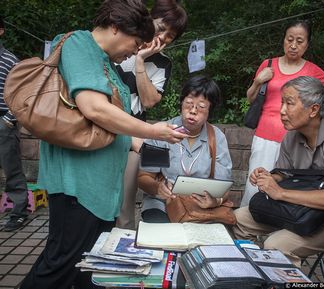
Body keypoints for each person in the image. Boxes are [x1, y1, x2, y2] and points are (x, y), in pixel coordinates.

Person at [20, 1, 187, 288]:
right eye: (135, 43)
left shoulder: (106, 63)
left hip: (102, 189)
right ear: (115, 27)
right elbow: (94, 109)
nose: (136, 50)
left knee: (89, 264)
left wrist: (152, 158)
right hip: (78, 184)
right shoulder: (78, 44)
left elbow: (120, 130)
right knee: (60, 263)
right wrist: (153, 130)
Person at [233, 76, 324, 268]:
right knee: (236, 219)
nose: (281, 111)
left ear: (314, 109)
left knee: (276, 245)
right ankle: (247, 273)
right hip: (294, 208)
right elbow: (285, 175)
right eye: (282, 102)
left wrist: (280, 192)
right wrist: (268, 177)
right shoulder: (291, 136)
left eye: (289, 103)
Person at [241, 20, 324, 207]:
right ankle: (248, 223)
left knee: (286, 184)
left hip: (295, 140)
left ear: (307, 44)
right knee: (256, 181)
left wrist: (311, 105)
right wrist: (257, 81)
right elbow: (250, 98)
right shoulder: (268, 64)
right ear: (283, 40)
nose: (294, 45)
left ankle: (278, 224)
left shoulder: (311, 70)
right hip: (264, 135)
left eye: (300, 41)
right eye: (290, 39)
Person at [116, 0, 187, 230]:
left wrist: (140, 60)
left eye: (171, 35)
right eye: (162, 27)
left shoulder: (163, 63)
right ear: (149, 18)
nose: (164, 36)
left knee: (125, 207)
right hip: (102, 128)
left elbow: (148, 101)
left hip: (133, 137)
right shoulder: (121, 42)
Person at [138, 75, 232, 222]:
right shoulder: (162, 133)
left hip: (199, 208)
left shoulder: (216, 138)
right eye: (188, 103)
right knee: (159, 236)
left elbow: (223, 188)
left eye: (201, 107)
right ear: (181, 102)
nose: (193, 111)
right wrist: (158, 188)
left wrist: (215, 201)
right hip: (162, 203)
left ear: (210, 111)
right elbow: (143, 177)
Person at [0, 15, 29, 232]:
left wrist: (8, 121)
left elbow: (24, 94)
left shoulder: (11, 61)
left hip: (3, 122)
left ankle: (19, 213)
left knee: (12, 170)